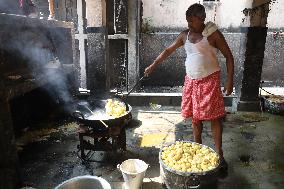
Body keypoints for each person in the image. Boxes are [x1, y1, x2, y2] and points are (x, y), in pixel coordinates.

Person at [144, 3, 234, 172]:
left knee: (215, 117)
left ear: (202, 19)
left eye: (192, 21)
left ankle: (220, 154)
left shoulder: (212, 35)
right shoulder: (184, 36)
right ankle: (197, 147)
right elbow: (168, 50)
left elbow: (229, 56)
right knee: (195, 117)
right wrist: (154, 64)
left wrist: (229, 80)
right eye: (187, 21)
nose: (189, 24)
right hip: (192, 81)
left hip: (210, 81)